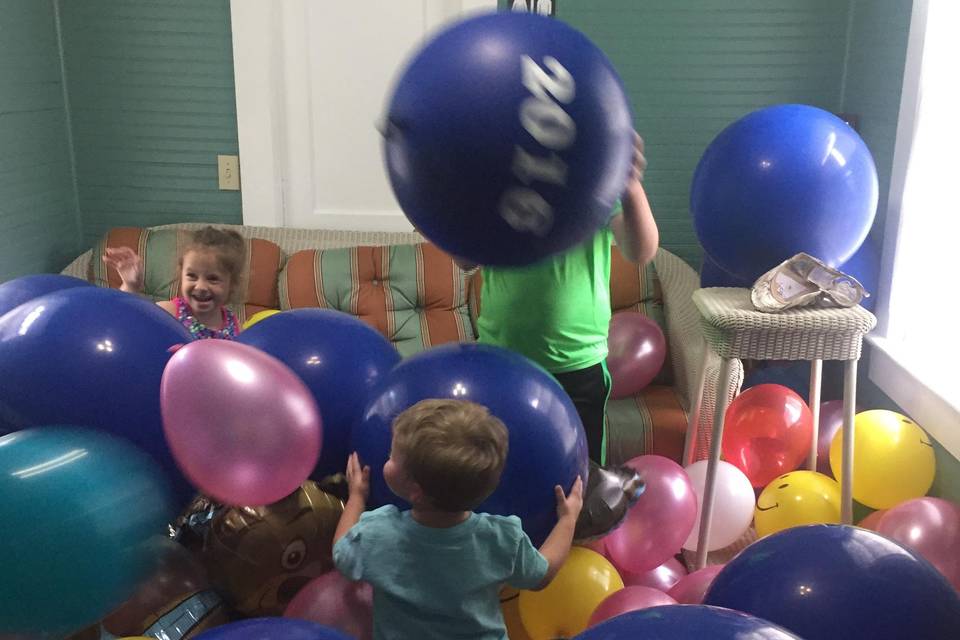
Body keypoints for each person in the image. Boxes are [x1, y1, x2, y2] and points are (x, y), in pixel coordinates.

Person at [460, 134, 657, 537]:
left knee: (580, 479)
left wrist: (630, 186)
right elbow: (465, 258)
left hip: (577, 363)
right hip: (503, 362)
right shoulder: (501, 197)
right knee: (498, 466)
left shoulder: (592, 193)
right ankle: (509, 557)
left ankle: (575, 559)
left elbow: (642, 250)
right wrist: (468, 197)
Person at [332, 399, 583, 640]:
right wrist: (567, 520)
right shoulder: (502, 540)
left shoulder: (378, 533)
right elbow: (543, 574)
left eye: (392, 456)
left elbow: (341, 552)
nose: (387, 458)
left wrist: (356, 497)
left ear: (415, 490)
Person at [102, 226, 245, 340]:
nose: (200, 286)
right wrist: (130, 286)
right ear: (181, 275)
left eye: (213, 278)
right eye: (192, 276)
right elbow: (130, 324)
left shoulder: (234, 324)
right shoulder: (169, 312)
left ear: (232, 283)